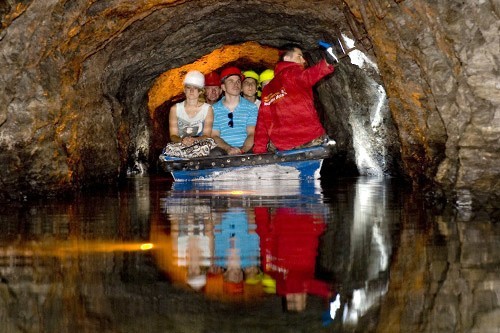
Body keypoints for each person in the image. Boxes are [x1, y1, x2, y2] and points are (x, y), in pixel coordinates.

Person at [253, 43, 335, 154]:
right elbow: (308, 76)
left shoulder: (268, 90)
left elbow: (263, 122)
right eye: (299, 56)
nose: (304, 60)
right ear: (287, 58)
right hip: (310, 139)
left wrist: (259, 150)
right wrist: (327, 62)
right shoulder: (292, 73)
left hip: (284, 147)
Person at [164, 70, 216, 158]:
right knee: (169, 148)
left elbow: (207, 135)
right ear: (184, 90)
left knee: (208, 146)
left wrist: (194, 140)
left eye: (195, 88)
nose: (191, 91)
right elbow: (173, 135)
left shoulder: (207, 109)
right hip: (181, 144)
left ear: (200, 91)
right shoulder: (175, 109)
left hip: (199, 144)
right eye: (188, 87)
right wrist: (182, 140)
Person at [211, 67, 258, 155]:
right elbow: (214, 136)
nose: (235, 84)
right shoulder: (213, 109)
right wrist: (228, 148)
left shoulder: (251, 107)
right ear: (223, 87)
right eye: (231, 81)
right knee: (214, 153)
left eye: (238, 81)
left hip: (246, 148)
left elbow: (252, 134)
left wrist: (242, 150)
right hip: (223, 149)